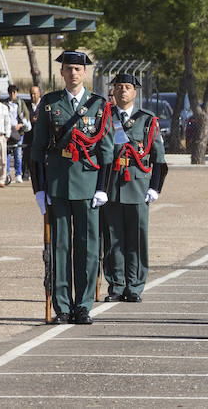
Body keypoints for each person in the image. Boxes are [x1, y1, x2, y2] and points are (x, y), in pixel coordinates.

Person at [30, 51, 115, 324]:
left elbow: (107, 152)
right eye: (68, 69)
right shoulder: (49, 103)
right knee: (60, 248)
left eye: (78, 69)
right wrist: (39, 189)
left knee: (88, 247)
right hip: (58, 184)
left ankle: (83, 305)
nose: (73, 73)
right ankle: (63, 306)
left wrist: (103, 187)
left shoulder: (99, 106)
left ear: (85, 73)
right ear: (62, 73)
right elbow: (37, 150)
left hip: (89, 185)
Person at [102, 73, 167, 302]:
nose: (122, 91)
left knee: (136, 239)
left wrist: (155, 187)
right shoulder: (105, 118)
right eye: (119, 87)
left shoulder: (147, 120)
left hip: (138, 186)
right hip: (111, 185)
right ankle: (116, 285)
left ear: (135, 92)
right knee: (111, 239)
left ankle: (135, 286)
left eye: (127, 87)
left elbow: (159, 158)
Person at [6, 85, 31, 183]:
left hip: (18, 132)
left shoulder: (21, 103)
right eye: (10, 93)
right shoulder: (5, 103)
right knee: (7, 153)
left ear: (17, 93)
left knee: (18, 153)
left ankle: (18, 174)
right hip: (8, 131)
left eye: (14, 92)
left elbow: (26, 117)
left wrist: (20, 125)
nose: (12, 95)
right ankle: (7, 173)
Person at [22, 85, 42, 181]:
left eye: (34, 93)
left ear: (39, 94)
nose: (32, 96)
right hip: (29, 135)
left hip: (40, 135)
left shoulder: (43, 104)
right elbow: (22, 117)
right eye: (31, 94)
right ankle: (25, 174)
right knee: (27, 155)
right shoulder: (26, 105)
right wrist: (29, 120)